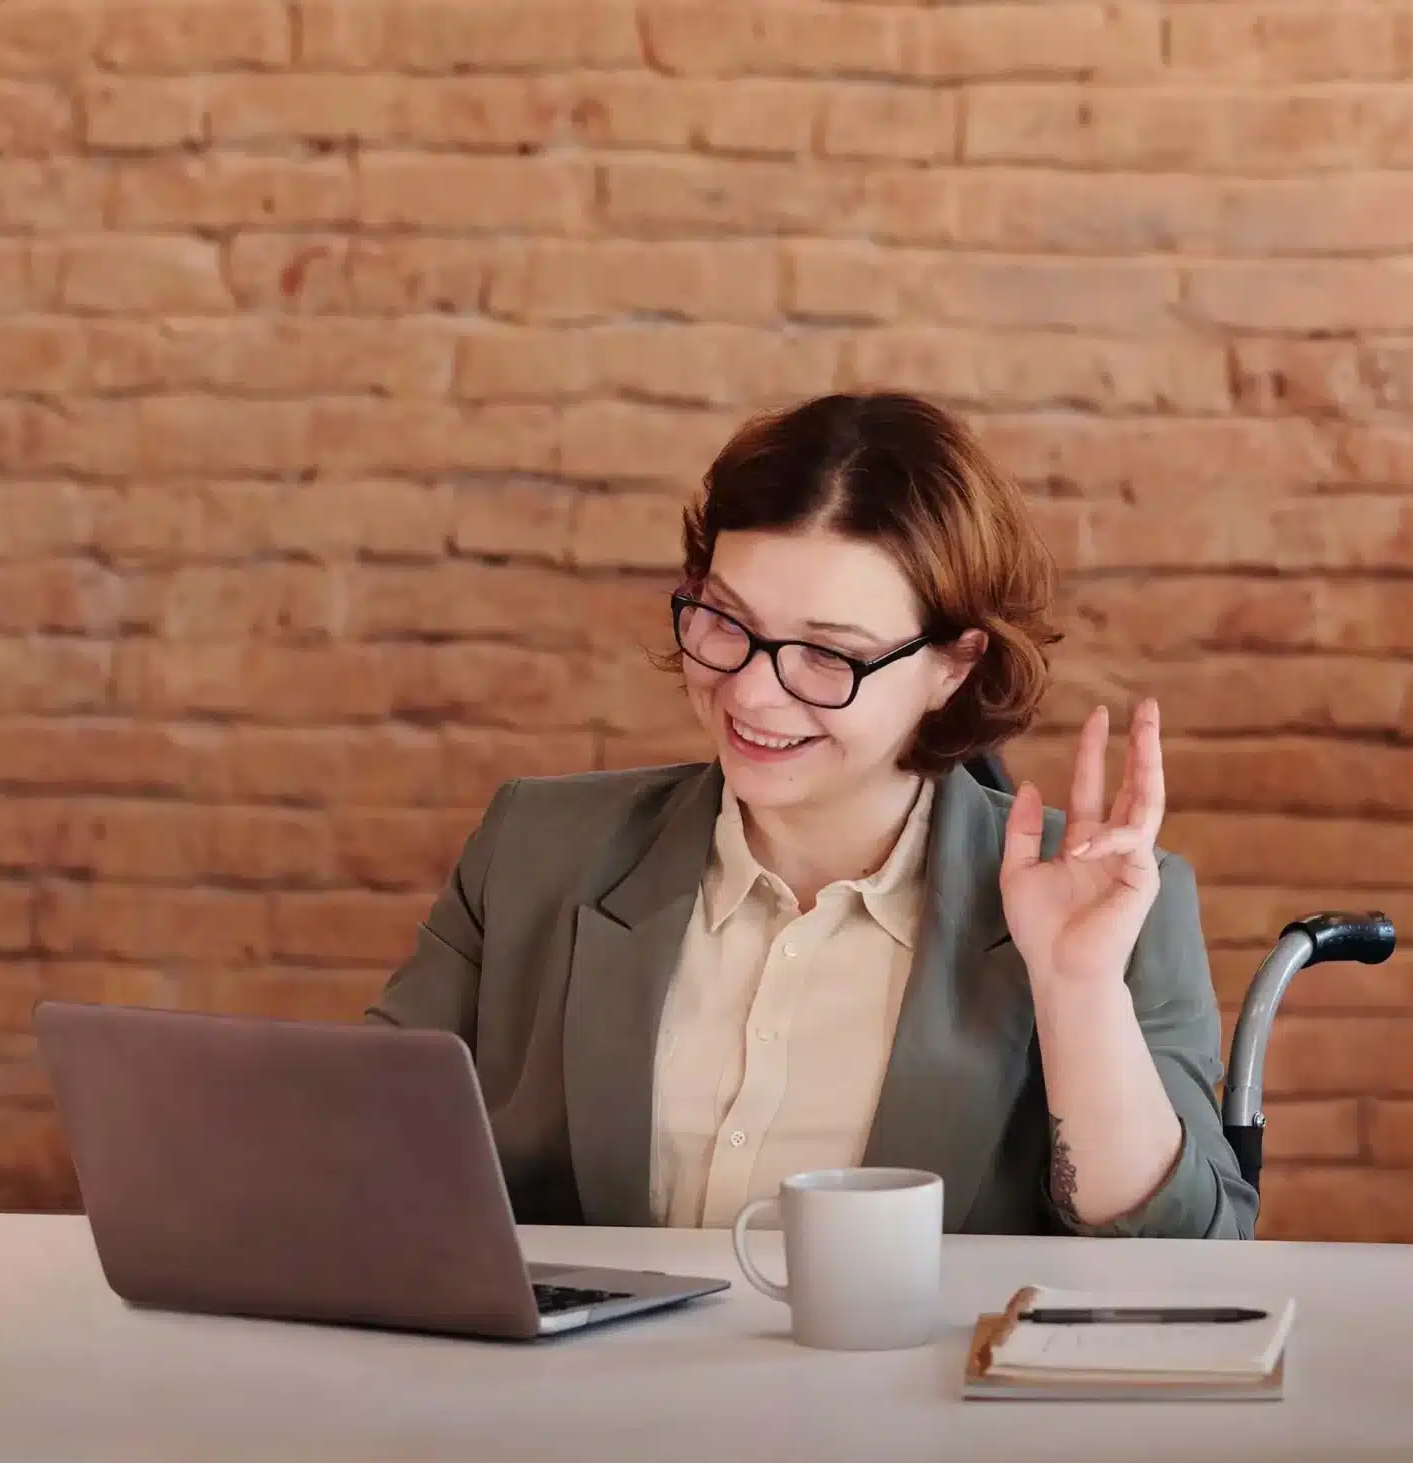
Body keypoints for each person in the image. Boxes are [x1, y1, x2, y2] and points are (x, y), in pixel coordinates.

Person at [365, 390, 1252, 1238]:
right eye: (725, 621)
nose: (751, 691)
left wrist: (1077, 995)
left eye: (829, 655)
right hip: (580, 1394)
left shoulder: (1110, 899)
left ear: (953, 665)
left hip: (910, 1390)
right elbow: (361, 1144)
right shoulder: (535, 850)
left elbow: (1187, 1248)